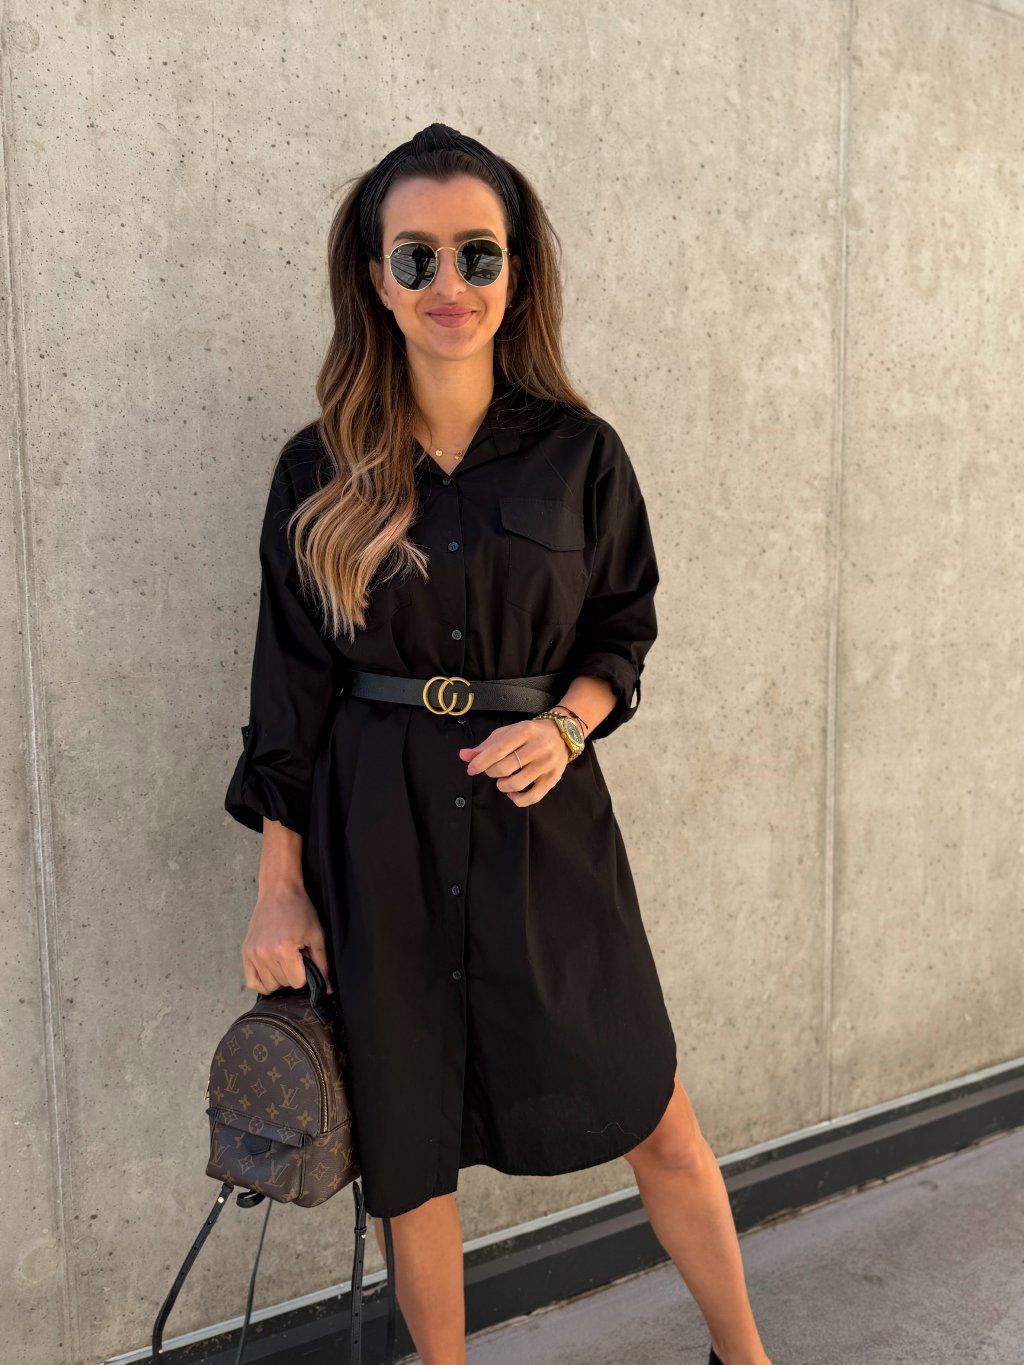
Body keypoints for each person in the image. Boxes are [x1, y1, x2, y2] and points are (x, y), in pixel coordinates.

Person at [224, 123, 772, 1365]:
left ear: (516, 273)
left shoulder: (579, 455)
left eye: (478, 254)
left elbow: (622, 631)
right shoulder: (318, 470)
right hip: (381, 841)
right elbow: (289, 689)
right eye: (414, 257)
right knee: (410, 1158)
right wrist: (278, 887)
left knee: (651, 1105)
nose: (449, 285)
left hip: (544, 832)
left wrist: (567, 727)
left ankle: (744, 1357)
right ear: (374, 278)